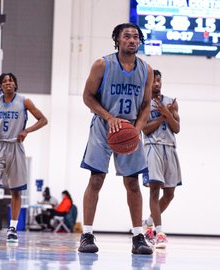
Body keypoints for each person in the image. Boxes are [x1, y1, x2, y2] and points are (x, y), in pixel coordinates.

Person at [78, 22, 154, 255]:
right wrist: (109, 117)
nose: (132, 40)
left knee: (132, 183)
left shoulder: (147, 70)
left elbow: (146, 104)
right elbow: (88, 97)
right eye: (127, 36)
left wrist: (138, 128)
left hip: (129, 128)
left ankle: (138, 237)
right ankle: (87, 234)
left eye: (136, 37)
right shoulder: (103, 64)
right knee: (96, 179)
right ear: (118, 40)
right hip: (103, 126)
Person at [0, 73, 48, 243]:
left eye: (10, 81)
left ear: (15, 85)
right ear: (0, 86)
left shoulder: (24, 101)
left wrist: (26, 131)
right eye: (4, 81)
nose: (7, 83)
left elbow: (43, 120)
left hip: (15, 146)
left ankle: (13, 228)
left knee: (16, 190)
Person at [141, 69, 182, 249]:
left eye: (159, 81)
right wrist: (162, 117)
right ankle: (159, 233)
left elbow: (177, 128)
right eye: (153, 81)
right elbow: (145, 129)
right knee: (154, 191)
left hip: (170, 148)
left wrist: (167, 112)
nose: (156, 84)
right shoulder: (143, 103)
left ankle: (148, 222)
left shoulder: (171, 102)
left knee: (170, 193)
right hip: (152, 147)